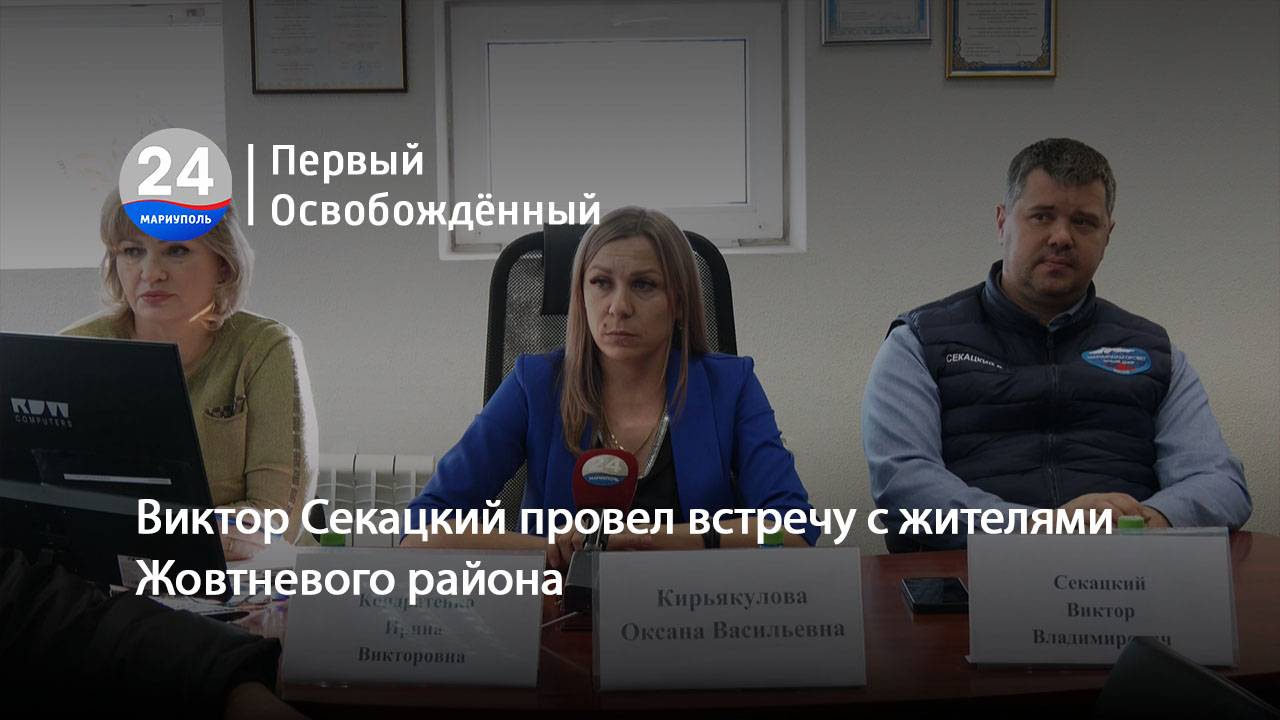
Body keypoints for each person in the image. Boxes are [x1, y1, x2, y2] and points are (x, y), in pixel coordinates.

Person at [863, 138, 1251, 552]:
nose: (1062, 237)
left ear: (1107, 235)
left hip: (1131, 569)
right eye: (1042, 216)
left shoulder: (1155, 352)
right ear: (1002, 222)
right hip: (974, 572)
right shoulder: (920, 343)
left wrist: (1151, 521)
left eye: (1083, 222)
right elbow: (903, 483)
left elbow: (1220, 483)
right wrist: (1042, 528)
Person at [403, 206, 818, 565]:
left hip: (693, 611)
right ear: (580, 294)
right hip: (562, 614)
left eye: (644, 285)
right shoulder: (535, 384)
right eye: (601, 282)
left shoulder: (730, 385)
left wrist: (662, 540)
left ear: (678, 302)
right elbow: (421, 531)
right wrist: (548, 549)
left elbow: (793, 532)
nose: (619, 307)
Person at [62, 190, 319, 558]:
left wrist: (133, 534)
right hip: (114, 578)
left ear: (223, 264)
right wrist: (198, 532)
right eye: (132, 251)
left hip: (246, 578)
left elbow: (276, 520)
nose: (151, 273)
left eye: (177, 250)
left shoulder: (266, 348)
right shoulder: (74, 350)